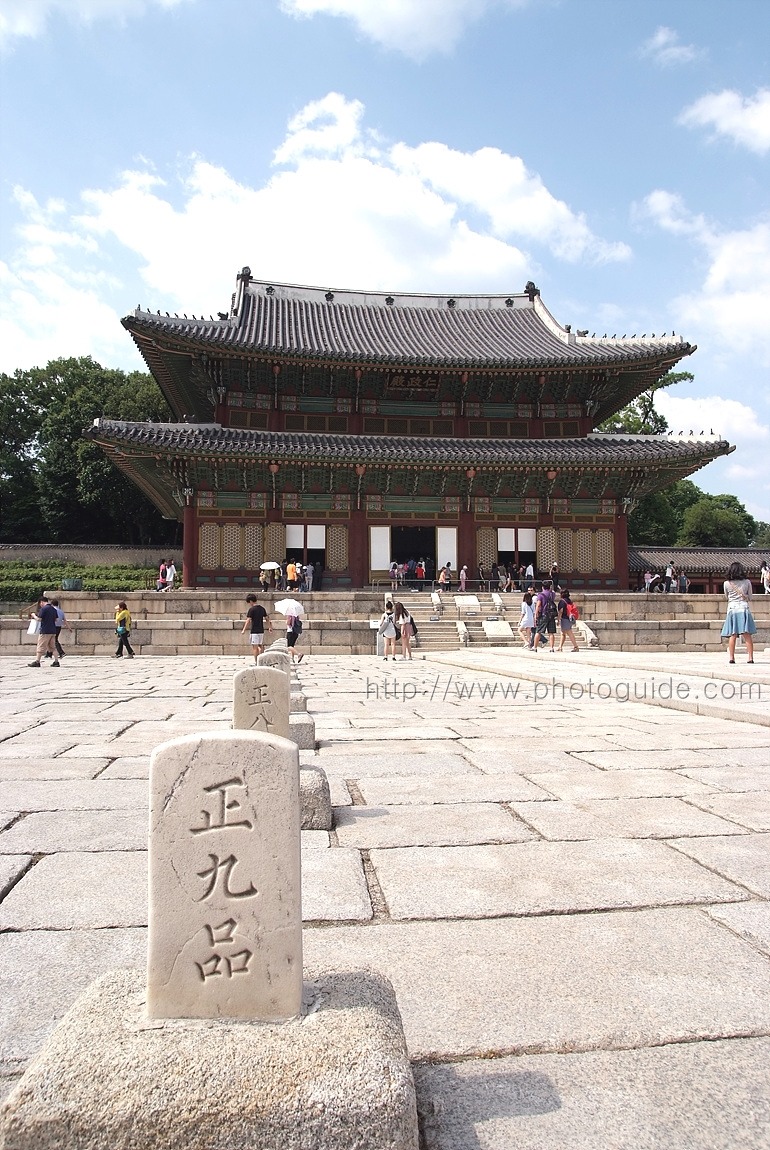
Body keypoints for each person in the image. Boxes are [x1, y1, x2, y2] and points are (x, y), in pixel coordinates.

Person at [721, 561, 756, 664]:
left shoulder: (726, 583)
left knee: (733, 634)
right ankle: (750, 657)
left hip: (732, 609)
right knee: (747, 634)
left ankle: (731, 657)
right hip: (743, 608)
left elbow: (726, 597)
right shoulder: (747, 582)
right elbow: (750, 597)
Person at [27, 596, 61, 668]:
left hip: (45, 630)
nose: (40, 605)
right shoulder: (53, 609)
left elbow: (39, 619)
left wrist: (33, 615)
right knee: (53, 647)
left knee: (40, 646)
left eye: (40, 603)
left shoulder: (44, 609)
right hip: (53, 630)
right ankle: (56, 661)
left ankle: (37, 661)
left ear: (41, 602)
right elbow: (56, 619)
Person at [241, 593, 271, 660]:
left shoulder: (251, 610)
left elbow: (248, 620)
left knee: (255, 647)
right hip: (261, 630)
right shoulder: (262, 609)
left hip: (254, 630)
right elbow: (267, 618)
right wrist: (269, 627)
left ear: (251, 601)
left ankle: (256, 660)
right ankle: (262, 659)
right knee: (260, 646)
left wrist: (244, 629)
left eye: (249, 602)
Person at [532, 579, 558, 652]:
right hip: (551, 615)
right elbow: (553, 592)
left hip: (543, 614)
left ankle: (535, 647)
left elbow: (538, 605)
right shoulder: (552, 594)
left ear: (542, 587)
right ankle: (552, 648)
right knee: (551, 632)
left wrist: (536, 615)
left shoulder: (540, 595)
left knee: (538, 631)